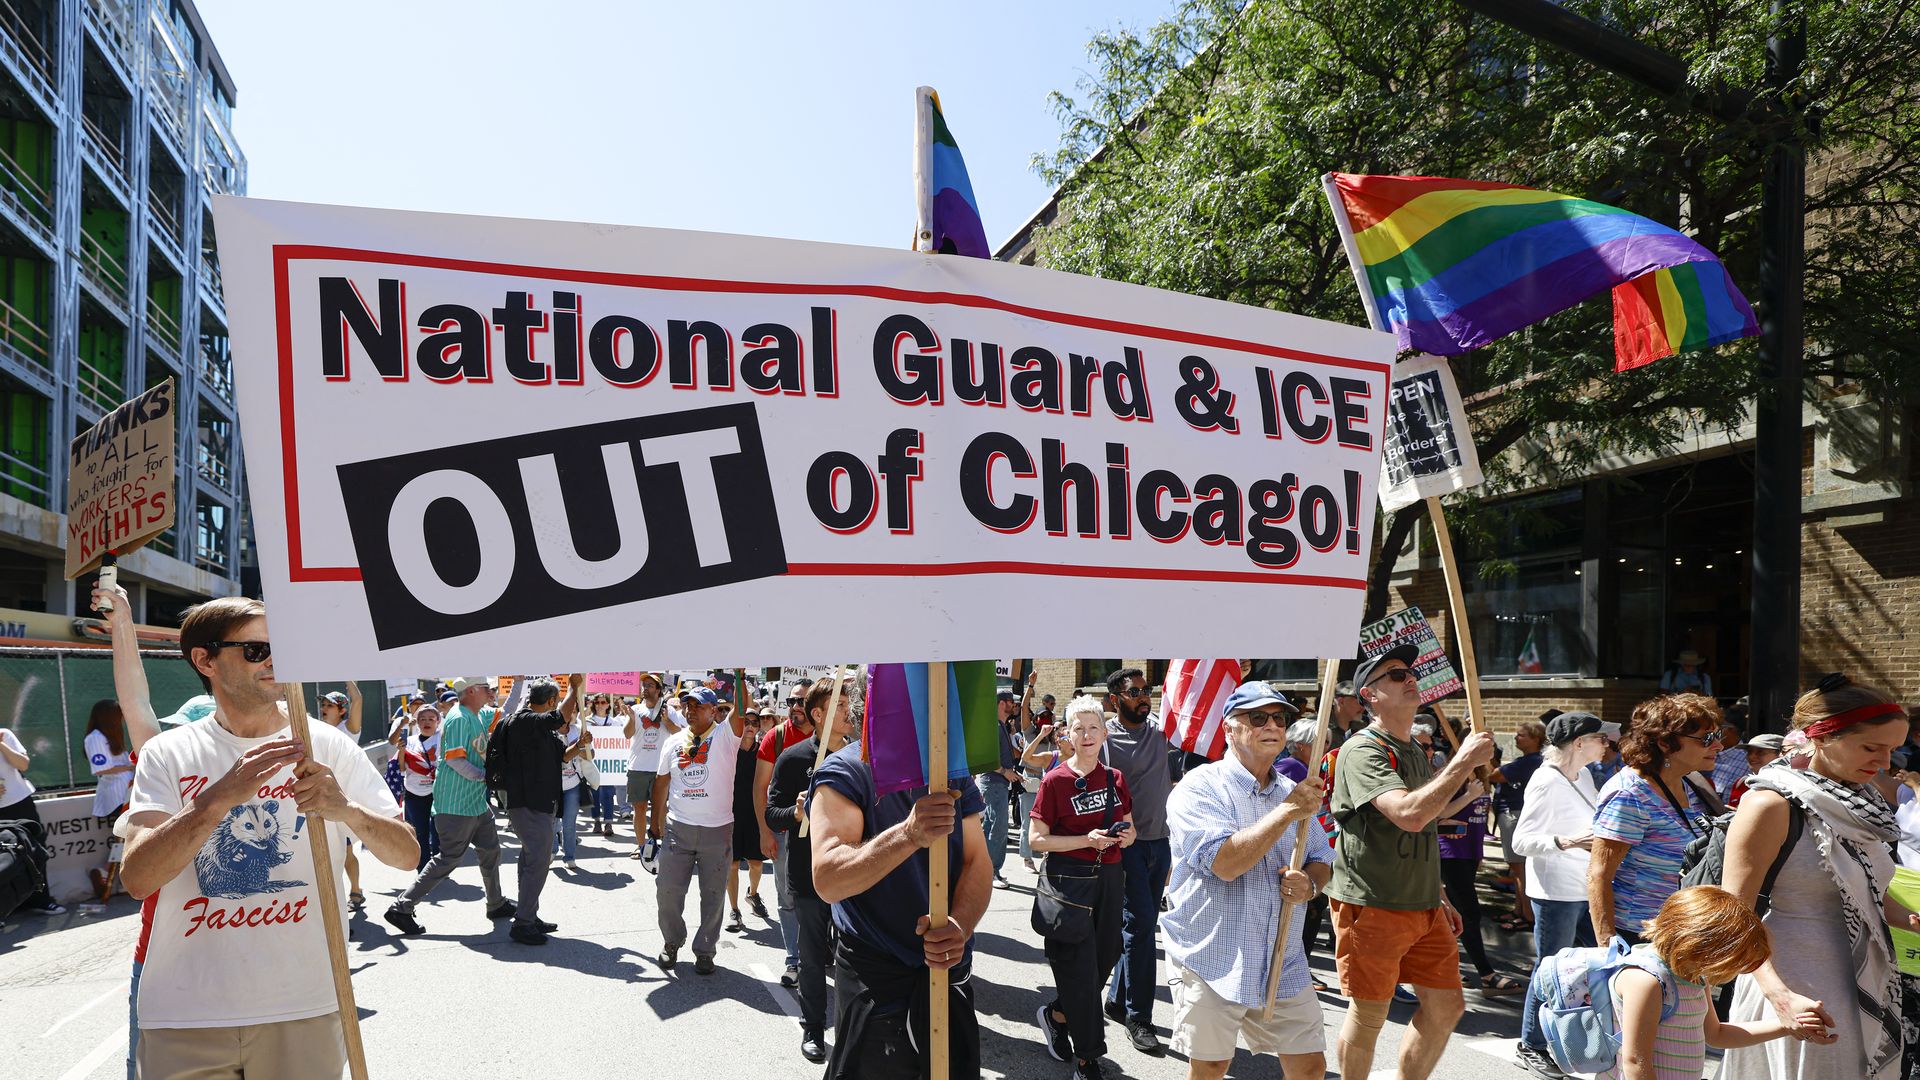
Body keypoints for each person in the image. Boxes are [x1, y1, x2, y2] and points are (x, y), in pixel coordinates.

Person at [119, 597, 417, 1077]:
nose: (277, 660)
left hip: (306, 1005)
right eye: (257, 649)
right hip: (185, 1013)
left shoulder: (327, 745)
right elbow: (138, 878)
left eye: (285, 647)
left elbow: (405, 856)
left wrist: (345, 809)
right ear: (205, 660)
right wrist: (216, 800)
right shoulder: (167, 753)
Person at [1720, 676, 1918, 1080]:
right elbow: (1731, 918)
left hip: (1866, 981)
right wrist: (1780, 997)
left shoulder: (1862, 803)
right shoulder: (1769, 804)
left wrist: (1912, 918)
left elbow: (1871, 895)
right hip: (1795, 984)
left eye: (1893, 750)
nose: (1885, 763)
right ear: (1822, 736)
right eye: (1870, 747)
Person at [1325, 642, 1496, 1080]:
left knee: (1446, 1007)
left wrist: (1438, 892)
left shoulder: (1414, 750)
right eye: (1396, 675)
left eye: (1410, 672)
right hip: (1373, 902)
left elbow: (1430, 817)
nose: (1410, 678)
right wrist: (1460, 764)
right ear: (1369, 695)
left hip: (1422, 902)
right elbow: (1409, 813)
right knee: (1369, 1015)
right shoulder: (1362, 750)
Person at [1161, 681, 1331, 1080]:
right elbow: (1224, 863)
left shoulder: (1293, 792)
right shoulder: (1199, 787)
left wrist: (1310, 884)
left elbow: (1322, 857)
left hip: (1281, 959)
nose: (1272, 724)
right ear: (1229, 728)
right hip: (1212, 957)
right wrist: (1289, 811)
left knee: (1309, 1066)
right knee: (1211, 1068)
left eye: (1280, 717)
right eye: (1258, 717)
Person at [810, 712, 992, 1079]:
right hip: (877, 978)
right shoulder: (845, 772)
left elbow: (977, 861)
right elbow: (828, 879)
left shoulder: (950, 773)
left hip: (947, 970)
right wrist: (907, 835)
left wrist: (960, 925)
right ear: (870, 706)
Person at [1595, 886, 1812, 1080]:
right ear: (1699, 945)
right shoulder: (1646, 981)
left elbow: (1716, 1034)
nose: (1733, 971)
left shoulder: (1694, 977)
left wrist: (1786, 1026)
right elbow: (1635, 1062)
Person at [1029, 696, 1136, 1078]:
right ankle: (1089, 1057)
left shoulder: (1115, 778)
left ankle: (1057, 1014)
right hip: (1068, 883)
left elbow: (1131, 826)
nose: (1087, 735)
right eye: (1079, 728)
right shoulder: (1055, 779)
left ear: (1104, 734)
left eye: (1094, 728)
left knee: (1103, 959)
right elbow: (1037, 840)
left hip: (1109, 878)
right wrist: (1086, 840)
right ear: (1068, 735)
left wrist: (1123, 838)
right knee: (1077, 968)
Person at [1509, 710, 1617, 1078]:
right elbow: (1520, 841)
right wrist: (1569, 841)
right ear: (1579, 743)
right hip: (1555, 890)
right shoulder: (1545, 780)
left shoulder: (1585, 775)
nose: (1607, 744)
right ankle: (1531, 1044)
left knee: (1601, 961)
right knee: (1549, 967)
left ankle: (1587, 1036)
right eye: (1601, 738)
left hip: (1585, 885)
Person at [767, 676, 859, 1064]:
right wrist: (797, 812)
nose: (848, 711)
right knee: (811, 956)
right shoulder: (794, 758)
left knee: (855, 956)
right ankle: (813, 1028)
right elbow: (773, 813)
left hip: (855, 873)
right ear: (818, 713)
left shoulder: (862, 757)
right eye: (839, 705)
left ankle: (857, 1032)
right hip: (809, 877)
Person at [1587, 694, 1724, 945]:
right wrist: (1608, 946)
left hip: (1686, 931)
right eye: (1706, 738)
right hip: (1641, 936)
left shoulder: (1690, 782)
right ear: (1664, 743)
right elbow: (1599, 875)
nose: (1718, 746)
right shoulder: (1630, 795)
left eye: (1718, 736)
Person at [384, 676, 515, 936]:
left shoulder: (477, 714)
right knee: (448, 859)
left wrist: (519, 681)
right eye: (487, 689)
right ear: (471, 691)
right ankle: (401, 907)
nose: (491, 693)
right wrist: (485, 776)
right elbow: (456, 762)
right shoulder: (458, 718)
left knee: (490, 851)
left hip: (474, 802)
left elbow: (508, 712)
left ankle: (496, 903)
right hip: (455, 804)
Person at [1098, 666, 1180, 1056]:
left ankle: (1116, 999)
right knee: (1142, 928)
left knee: (1139, 925)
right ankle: (1139, 1017)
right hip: (1125, 847)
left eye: (1146, 690)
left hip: (1160, 844)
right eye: (1134, 692)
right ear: (1116, 699)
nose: (1143, 698)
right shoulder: (1105, 740)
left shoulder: (1162, 734)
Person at [652, 685, 748, 974]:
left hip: (717, 831)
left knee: (714, 894)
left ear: (714, 711)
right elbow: (660, 783)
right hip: (677, 829)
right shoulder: (673, 742)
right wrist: (656, 822)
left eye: (697, 705)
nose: (690, 710)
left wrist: (740, 676)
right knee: (667, 891)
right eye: (686, 705)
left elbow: (741, 711)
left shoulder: (725, 735)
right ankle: (672, 941)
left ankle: (705, 950)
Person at [497, 675, 581, 944]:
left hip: (539, 804)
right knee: (538, 862)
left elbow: (562, 755)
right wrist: (576, 688)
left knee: (531, 859)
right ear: (552, 700)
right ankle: (523, 923)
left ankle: (528, 914)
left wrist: (579, 746)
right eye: (557, 701)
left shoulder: (541, 729)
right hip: (529, 804)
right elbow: (560, 717)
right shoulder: (525, 720)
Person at [1436, 768, 1520, 996]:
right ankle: (1487, 976)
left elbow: (1478, 817)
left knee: (1451, 915)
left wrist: (1478, 852)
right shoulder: (1452, 777)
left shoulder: (1483, 777)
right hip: (1450, 853)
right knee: (1469, 913)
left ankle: (1444, 968)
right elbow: (1439, 813)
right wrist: (1469, 795)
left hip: (1469, 853)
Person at [755, 692, 815, 987]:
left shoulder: (834, 739)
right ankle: (793, 959)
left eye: (801, 701)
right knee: (787, 896)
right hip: (783, 832)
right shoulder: (775, 738)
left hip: (823, 835)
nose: (794, 707)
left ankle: (817, 952)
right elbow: (760, 788)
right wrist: (765, 832)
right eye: (790, 701)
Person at [0, 721, 61, 916]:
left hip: (19, 801)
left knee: (34, 847)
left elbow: (23, 764)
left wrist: (1, 745)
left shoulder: (4, 735)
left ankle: (41, 899)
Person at [1492, 718, 1546, 932]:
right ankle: (1518, 910)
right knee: (1517, 868)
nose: (1516, 738)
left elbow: (1495, 775)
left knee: (1519, 867)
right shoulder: (1531, 760)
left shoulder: (1531, 761)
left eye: (1521, 735)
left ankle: (1527, 915)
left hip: (1514, 814)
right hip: (1514, 813)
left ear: (1536, 739)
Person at [625, 672, 683, 866]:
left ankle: (663, 846)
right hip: (638, 767)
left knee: (661, 810)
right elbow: (627, 734)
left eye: (650, 685)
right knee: (639, 808)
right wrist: (631, 719)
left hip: (662, 769)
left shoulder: (669, 711)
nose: (645, 688)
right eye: (644, 685)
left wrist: (667, 722)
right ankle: (642, 847)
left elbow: (681, 734)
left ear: (658, 690)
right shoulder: (635, 709)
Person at [319, 685, 367, 912]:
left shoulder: (348, 730)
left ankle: (355, 892)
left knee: (345, 852)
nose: (323, 708)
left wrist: (347, 672)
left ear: (342, 711)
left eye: (329, 705)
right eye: (323, 704)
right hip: (322, 800)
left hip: (341, 802)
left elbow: (357, 699)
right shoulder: (316, 730)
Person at [729, 707, 769, 932]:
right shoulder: (729, 749)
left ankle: (752, 894)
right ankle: (734, 910)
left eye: (755, 722)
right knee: (732, 864)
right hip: (730, 813)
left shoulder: (763, 750)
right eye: (747, 722)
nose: (751, 726)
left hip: (755, 813)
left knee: (755, 863)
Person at [978, 689, 1024, 889]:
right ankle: (992, 872)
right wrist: (1005, 771)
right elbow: (984, 758)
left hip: (998, 783)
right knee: (998, 828)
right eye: (1010, 701)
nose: (1014, 705)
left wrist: (1011, 773)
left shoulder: (1001, 725)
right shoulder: (993, 726)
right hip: (994, 782)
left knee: (991, 827)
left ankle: (985, 871)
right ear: (1000, 704)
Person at [396, 702, 441, 871]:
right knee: (420, 832)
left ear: (437, 721)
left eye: (431, 718)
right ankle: (423, 869)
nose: (427, 722)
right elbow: (402, 768)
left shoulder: (443, 738)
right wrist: (401, 752)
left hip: (438, 792)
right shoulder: (409, 741)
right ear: (417, 722)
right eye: (422, 719)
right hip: (414, 792)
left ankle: (438, 867)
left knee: (437, 831)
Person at [554, 702, 593, 872]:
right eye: (566, 710)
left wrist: (581, 746)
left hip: (573, 784)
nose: (569, 713)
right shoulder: (549, 731)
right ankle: (552, 850)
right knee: (551, 822)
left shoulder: (579, 731)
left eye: (573, 710)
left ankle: (569, 856)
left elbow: (591, 755)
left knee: (569, 823)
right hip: (552, 785)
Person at [584, 694, 623, 837]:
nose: (600, 705)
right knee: (594, 793)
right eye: (597, 702)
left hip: (608, 764)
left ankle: (608, 822)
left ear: (608, 704)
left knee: (608, 794)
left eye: (603, 702)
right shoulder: (587, 721)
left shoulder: (614, 723)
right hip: (592, 763)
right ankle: (596, 821)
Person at [1726, 734, 1785, 807]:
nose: (1751, 756)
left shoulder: (1786, 786)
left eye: (1760, 752)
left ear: (1781, 754)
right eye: (1749, 752)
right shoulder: (1742, 783)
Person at [1278, 716, 1315, 782]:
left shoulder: (1295, 765)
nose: (1325, 747)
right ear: (1300, 745)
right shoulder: (1293, 766)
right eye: (1321, 742)